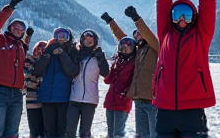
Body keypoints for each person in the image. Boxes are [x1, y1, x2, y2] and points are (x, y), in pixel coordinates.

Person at [153, 0, 216, 138]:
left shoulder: (201, 36)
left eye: (187, 15)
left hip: (193, 110)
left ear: (195, 17)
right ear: (170, 17)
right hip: (164, 109)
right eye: (177, 14)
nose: (181, 19)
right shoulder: (165, 34)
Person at [101, 8, 159, 138]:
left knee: (155, 134)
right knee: (141, 134)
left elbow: (149, 36)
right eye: (135, 35)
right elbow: (122, 38)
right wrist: (110, 22)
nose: (137, 36)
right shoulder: (137, 50)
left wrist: (136, 19)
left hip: (153, 99)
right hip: (138, 98)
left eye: (140, 34)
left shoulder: (156, 48)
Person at [0, 0, 30, 138]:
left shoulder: (20, 47)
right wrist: (10, 8)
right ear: (9, 27)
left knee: (12, 133)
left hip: (17, 94)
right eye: (15, 26)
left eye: (21, 28)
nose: (18, 29)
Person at [32, 27, 80, 138]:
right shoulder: (48, 50)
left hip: (64, 97)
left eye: (64, 36)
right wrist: (47, 55)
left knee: (62, 131)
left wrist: (62, 54)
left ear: (69, 38)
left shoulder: (72, 51)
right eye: (59, 36)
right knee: (49, 131)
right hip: (46, 97)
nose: (61, 39)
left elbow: (72, 71)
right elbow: (37, 71)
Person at [66, 29, 109, 138]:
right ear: (82, 40)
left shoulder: (98, 56)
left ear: (95, 41)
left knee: (85, 132)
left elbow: (105, 73)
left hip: (90, 100)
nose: (89, 41)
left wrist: (101, 58)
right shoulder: (77, 54)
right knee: (70, 131)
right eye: (86, 38)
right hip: (74, 98)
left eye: (92, 39)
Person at [103, 37, 136, 138]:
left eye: (127, 48)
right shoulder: (118, 62)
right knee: (110, 132)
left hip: (122, 101)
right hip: (111, 100)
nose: (124, 51)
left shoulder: (134, 63)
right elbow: (107, 80)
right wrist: (110, 67)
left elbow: (133, 82)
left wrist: (125, 93)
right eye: (122, 48)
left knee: (118, 133)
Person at [24, 40, 47, 138]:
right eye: (38, 48)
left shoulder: (48, 62)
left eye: (43, 49)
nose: (40, 50)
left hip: (46, 101)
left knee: (45, 130)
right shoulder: (29, 60)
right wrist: (40, 80)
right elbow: (28, 78)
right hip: (32, 100)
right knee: (34, 130)